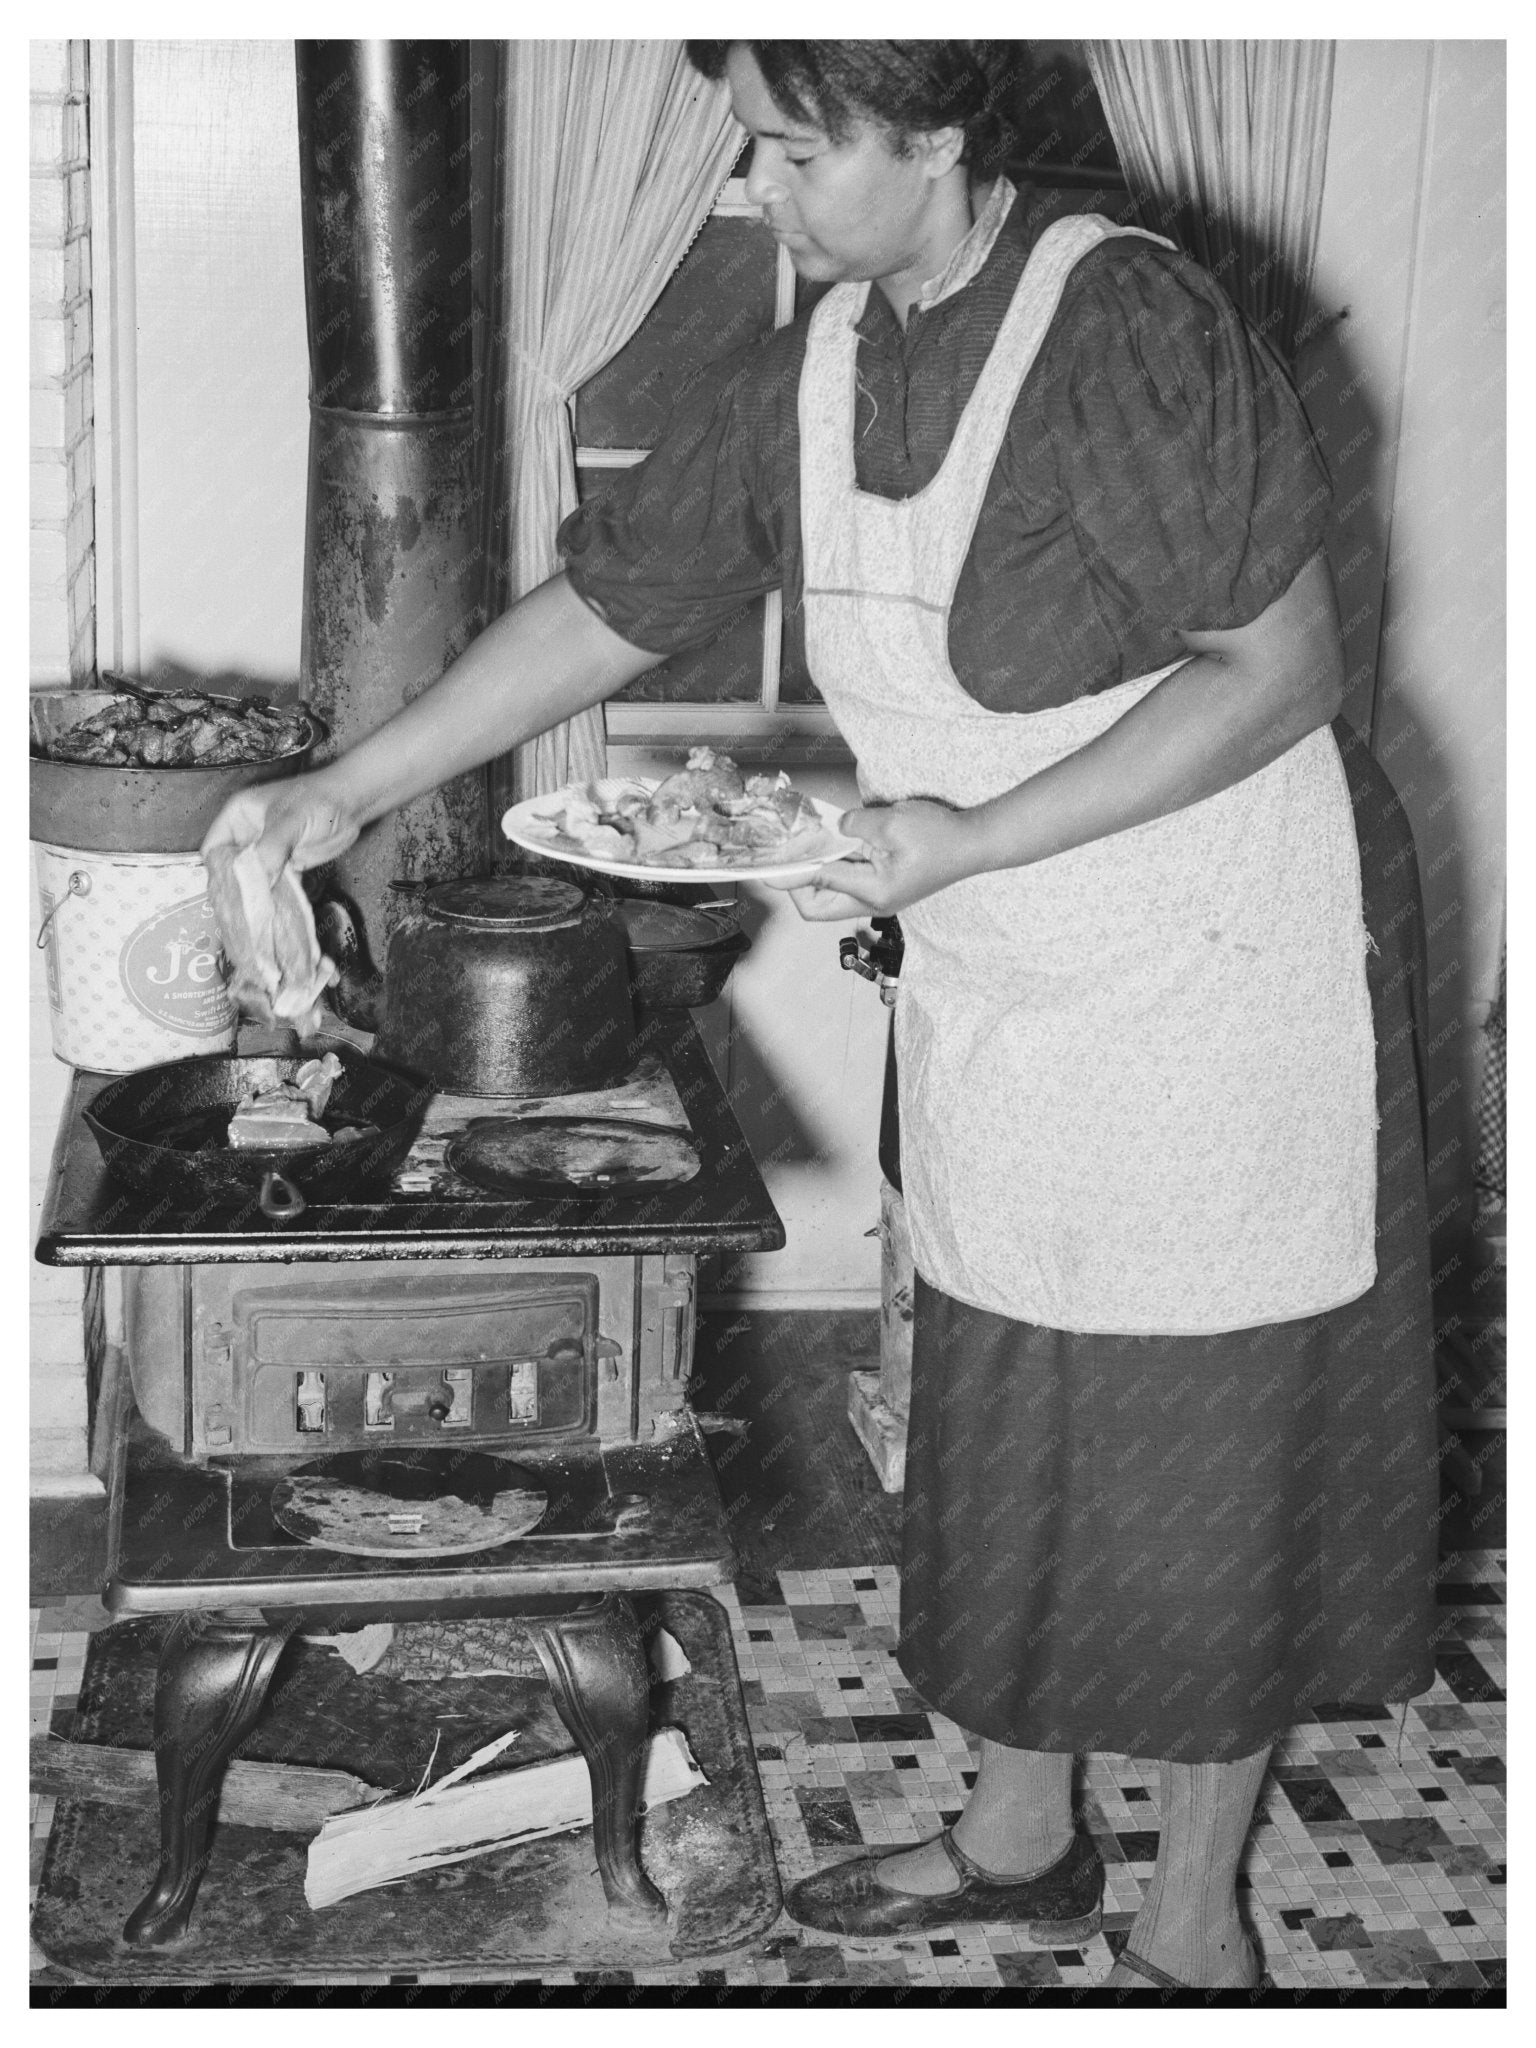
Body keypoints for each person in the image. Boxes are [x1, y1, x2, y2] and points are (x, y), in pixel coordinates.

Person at [205, 41, 1440, 1990]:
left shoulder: (1123, 319)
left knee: (1215, 1437)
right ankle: (1024, 1843)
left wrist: (970, 833)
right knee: (1010, 1402)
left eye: (792, 148)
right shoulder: (818, 363)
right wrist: (345, 786)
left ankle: (1197, 1931)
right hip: (1012, 951)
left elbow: (1279, 670)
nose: (757, 192)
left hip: (1229, 957)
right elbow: (615, 602)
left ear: (934, 130)